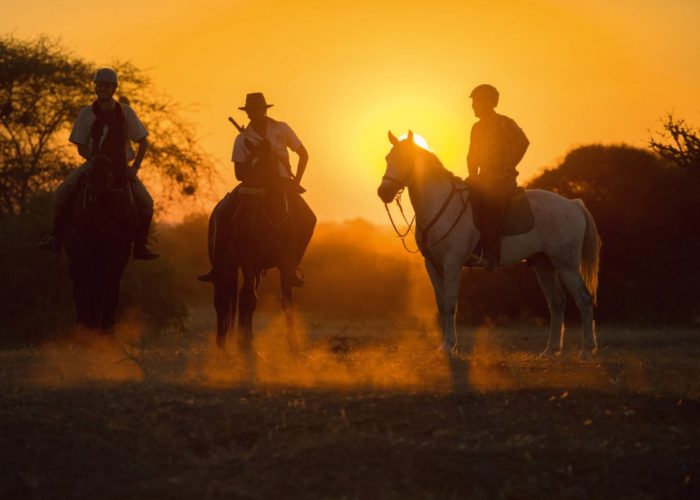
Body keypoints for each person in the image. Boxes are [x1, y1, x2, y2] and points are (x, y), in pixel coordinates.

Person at [38, 67, 159, 260]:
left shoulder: (126, 112)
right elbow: (80, 147)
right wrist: (95, 160)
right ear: (95, 87)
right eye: (99, 85)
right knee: (61, 193)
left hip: (121, 167)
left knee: (147, 203)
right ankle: (55, 238)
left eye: (107, 85)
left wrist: (134, 168)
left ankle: (141, 245)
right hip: (93, 165)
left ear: (114, 88)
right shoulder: (86, 114)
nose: (102, 88)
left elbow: (143, 141)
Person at [198, 92, 316, 285]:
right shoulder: (242, 138)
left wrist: (296, 182)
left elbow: (303, 154)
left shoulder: (281, 128)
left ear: (264, 110)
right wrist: (257, 167)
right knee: (222, 212)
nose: (254, 114)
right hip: (253, 185)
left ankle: (293, 265)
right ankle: (217, 267)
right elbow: (239, 174)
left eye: (258, 110)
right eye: (251, 111)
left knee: (309, 218)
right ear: (247, 113)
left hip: (283, 183)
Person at [466, 84, 529, 270]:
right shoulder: (476, 128)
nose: (474, 106)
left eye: (477, 101)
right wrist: (472, 174)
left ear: (490, 102)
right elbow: (472, 154)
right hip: (482, 178)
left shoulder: (504, 122)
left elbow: (523, 142)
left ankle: (491, 256)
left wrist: (509, 165)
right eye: (473, 102)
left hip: (503, 180)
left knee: (492, 204)